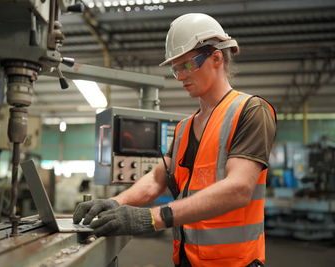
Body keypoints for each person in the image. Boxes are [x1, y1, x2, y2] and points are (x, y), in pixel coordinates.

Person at [73, 13, 276, 267]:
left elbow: (239, 189)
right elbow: (157, 179)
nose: (179, 77)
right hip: (187, 260)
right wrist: (115, 202)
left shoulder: (251, 110)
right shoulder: (183, 128)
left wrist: (153, 217)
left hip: (235, 262)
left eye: (187, 65)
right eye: (175, 68)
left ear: (216, 58)